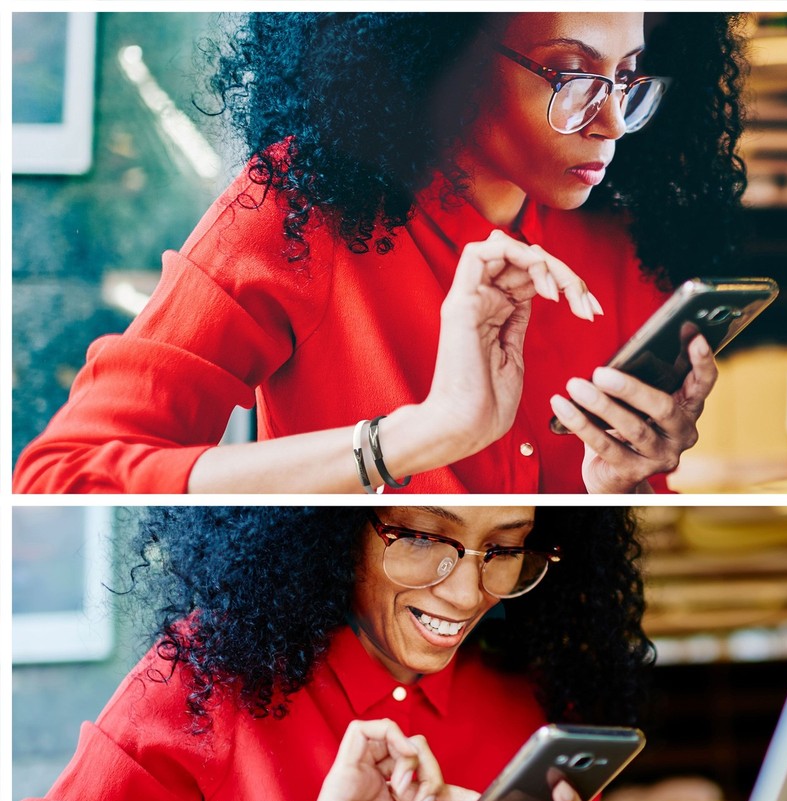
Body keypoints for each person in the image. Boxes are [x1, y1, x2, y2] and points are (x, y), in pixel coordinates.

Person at [13, 12, 747, 494]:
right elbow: (61, 479)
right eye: (572, 76)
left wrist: (625, 486)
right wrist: (411, 440)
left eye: (627, 78)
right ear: (445, 52)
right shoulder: (297, 207)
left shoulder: (623, 241)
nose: (614, 122)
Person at [12, 505, 651, 801]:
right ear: (336, 524)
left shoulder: (537, 703)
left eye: (505, 548)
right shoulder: (209, 671)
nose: (465, 593)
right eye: (424, 538)